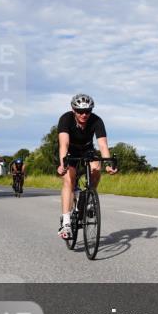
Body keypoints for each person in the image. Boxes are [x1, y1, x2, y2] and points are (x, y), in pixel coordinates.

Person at [55, 94, 117, 239]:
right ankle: (66, 223)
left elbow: (102, 144)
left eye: (87, 111)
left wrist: (108, 163)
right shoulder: (66, 119)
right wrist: (63, 164)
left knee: (96, 167)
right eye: (80, 111)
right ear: (73, 110)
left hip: (87, 149)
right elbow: (64, 143)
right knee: (69, 180)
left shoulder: (96, 120)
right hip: (69, 151)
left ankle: (89, 197)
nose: (84, 115)